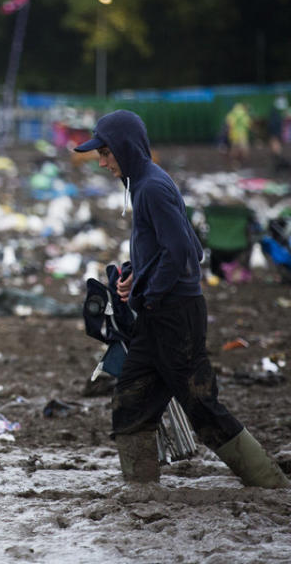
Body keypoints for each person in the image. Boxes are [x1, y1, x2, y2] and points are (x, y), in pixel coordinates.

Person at [74, 109, 288, 488]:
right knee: (131, 402)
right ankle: (140, 491)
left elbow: (186, 254)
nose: (103, 162)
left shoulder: (152, 187)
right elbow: (176, 245)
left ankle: (271, 485)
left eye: (106, 153)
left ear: (125, 148)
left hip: (174, 314)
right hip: (157, 314)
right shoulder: (142, 184)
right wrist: (134, 274)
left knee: (202, 405)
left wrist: (151, 294)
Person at [224, 102, 251, 168]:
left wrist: (229, 132)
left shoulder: (232, 113)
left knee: (234, 149)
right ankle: (242, 162)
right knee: (244, 149)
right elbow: (248, 124)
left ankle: (234, 162)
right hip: (242, 134)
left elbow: (228, 123)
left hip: (234, 134)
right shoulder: (244, 114)